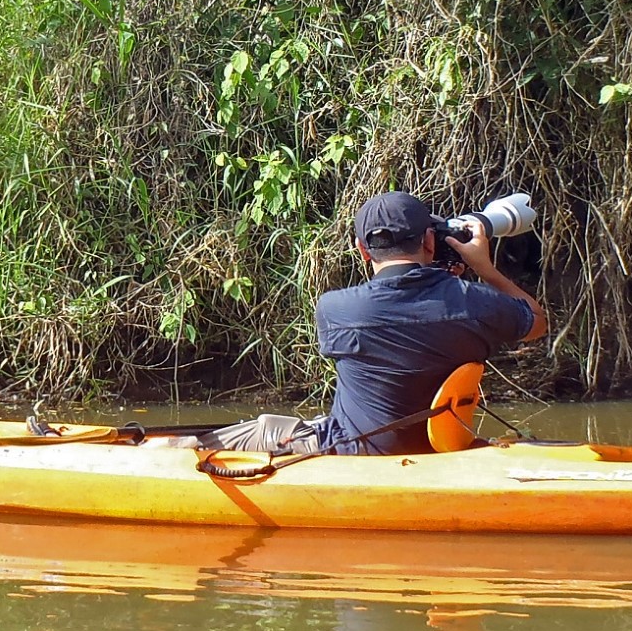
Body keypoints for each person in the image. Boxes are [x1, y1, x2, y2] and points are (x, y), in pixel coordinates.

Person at [194, 190, 547, 456]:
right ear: (428, 240)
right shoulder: (478, 303)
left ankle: (157, 454)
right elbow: (536, 323)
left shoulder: (335, 309)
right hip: (440, 449)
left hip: (354, 453)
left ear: (363, 250)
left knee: (257, 429)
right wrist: (484, 269)